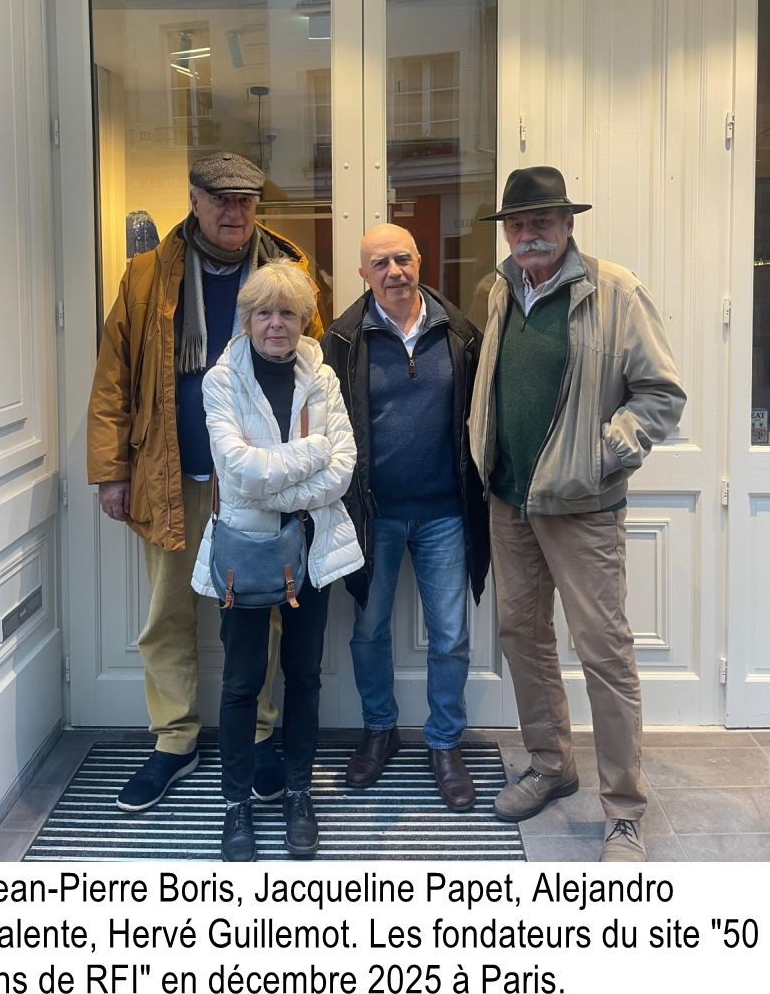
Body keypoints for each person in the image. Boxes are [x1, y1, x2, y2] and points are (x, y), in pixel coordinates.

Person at [87, 151, 323, 813]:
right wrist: (110, 470)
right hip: (168, 473)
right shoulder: (145, 277)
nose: (234, 211)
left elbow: (313, 367)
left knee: (263, 607)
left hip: (259, 479)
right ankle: (175, 738)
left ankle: (261, 738)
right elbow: (113, 378)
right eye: (220, 198)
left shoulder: (289, 271)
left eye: (246, 200)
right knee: (168, 611)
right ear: (193, 199)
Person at [468, 165, 686, 862]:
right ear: (507, 230)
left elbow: (660, 393)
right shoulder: (499, 290)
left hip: (583, 507)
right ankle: (551, 764)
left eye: (542, 219)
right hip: (511, 501)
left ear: (567, 223)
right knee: (521, 637)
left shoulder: (614, 289)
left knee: (604, 652)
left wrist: (603, 456)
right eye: (518, 222)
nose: (529, 232)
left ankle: (623, 807)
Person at [191, 262, 363, 861]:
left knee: (305, 675)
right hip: (248, 552)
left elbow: (341, 471)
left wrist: (282, 482)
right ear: (247, 319)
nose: (276, 325)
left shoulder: (322, 377)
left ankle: (296, 791)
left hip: (311, 551)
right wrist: (310, 453)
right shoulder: (221, 381)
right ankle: (236, 805)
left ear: (303, 319)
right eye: (264, 313)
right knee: (241, 682)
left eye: (287, 313)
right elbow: (237, 473)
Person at [322, 224, 490, 810]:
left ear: (421, 261)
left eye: (402, 258)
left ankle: (444, 742)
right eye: (379, 263)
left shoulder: (460, 332)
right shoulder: (341, 340)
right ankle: (380, 731)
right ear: (362, 275)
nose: (393, 271)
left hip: (446, 512)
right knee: (368, 631)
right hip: (375, 514)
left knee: (451, 635)